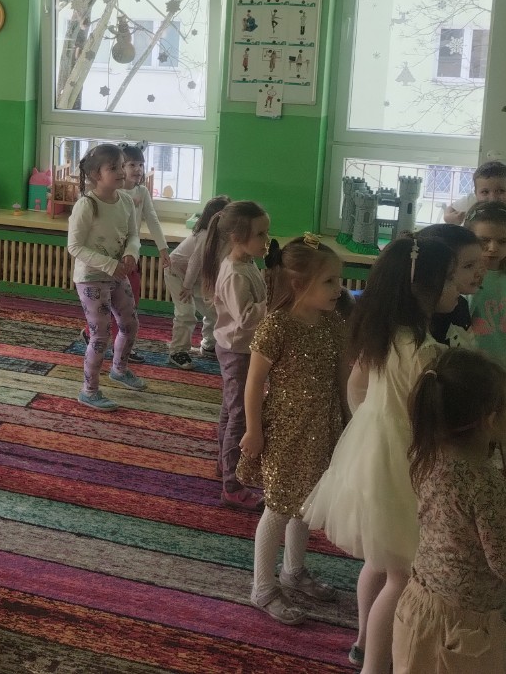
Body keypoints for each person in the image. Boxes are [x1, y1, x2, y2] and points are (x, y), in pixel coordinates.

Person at [302, 236, 459, 674]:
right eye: (450, 279)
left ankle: (362, 641)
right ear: (423, 288)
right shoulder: (425, 351)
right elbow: (430, 419)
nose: (457, 288)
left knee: (379, 559)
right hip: (401, 459)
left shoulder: (386, 333)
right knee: (403, 574)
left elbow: (356, 386)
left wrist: (369, 426)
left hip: (371, 450)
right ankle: (375, 664)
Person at [393, 349, 506, 673]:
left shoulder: (429, 457)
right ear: (490, 420)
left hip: (417, 606)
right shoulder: (486, 485)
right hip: (464, 629)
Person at [238, 236, 351, 624]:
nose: (339, 289)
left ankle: (293, 571)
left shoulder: (333, 323)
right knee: (278, 507)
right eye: (329, 281)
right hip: (287, 432)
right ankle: (262, 587)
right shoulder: (277, 326)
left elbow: (342, 377)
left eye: (339, 280)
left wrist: (348, 420)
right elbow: (254, 383)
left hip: (324, 426)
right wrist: (253, 430)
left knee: (307, 502)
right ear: (300, 284)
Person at [201, 199, 271, 509]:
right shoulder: (235, 274)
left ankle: (224, 462)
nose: (266, 240)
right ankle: (232, 484)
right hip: (236, 350)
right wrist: (275, 303)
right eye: (260, 235)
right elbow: (246, 317)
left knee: (231, 410)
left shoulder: (246, 263)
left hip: (240, 347)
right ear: (236, 238)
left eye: (266, 233)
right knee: (240, 415)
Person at [66, 143, 144, 411]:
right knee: (100, 334)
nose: (122, 172)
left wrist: (131, 253)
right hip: (91, 277)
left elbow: (133, 235)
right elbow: (74, 246)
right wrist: (110, 265)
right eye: (114, 168)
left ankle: (119, 370)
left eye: (122, 166)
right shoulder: (86, 205)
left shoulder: (126, 201)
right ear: (95, 175)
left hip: (118, 273)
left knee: (130, 323)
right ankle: (89, 390)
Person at [78, 143, 166, 364]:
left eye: (141, 165)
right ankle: (93, 334)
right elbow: (78, 243)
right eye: (131, 165)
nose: (137, 169)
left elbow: (151, 220)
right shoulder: (104, 197)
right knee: (102, 308)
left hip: (129, 258)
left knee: (129, 304)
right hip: (102, 263)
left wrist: (163, 248)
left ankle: (123, 345)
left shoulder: (140, 192)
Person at [465, 201, 506, 386]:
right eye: (484, 240)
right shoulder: (462, 273)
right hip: (467, 367)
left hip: (503, 368)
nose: (493, 248)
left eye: (502, 241)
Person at [164, 194, 230, 368]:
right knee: (186, 312)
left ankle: (209, 344)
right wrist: (186, 287)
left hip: (197, 276)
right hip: (177, 273)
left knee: (214, 309)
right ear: (217, 217)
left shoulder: (224, 237)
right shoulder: (205, 236)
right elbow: (195, 262)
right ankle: (177, 351)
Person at [416, 223, 484, 348]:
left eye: (480, 263)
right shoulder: (422, 316)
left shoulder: (460, 305)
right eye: (468, 266)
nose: (479, 273)